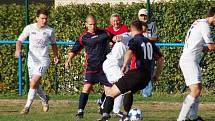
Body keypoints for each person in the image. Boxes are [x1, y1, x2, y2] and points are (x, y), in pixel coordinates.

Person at [98, 20, 164, 121]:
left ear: (132, 29)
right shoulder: (150, 42)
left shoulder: (135, 39)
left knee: (111, 93)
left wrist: (124, 65)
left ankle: (105, 117)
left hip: (136, 73)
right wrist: (156, 75)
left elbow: (129, 52)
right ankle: (125, 115)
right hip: (146, 77)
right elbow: (160, 59)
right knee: (128, 91)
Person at [65, 15, 112, 118]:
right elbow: (75, 50)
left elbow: (115, 37)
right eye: (90, 24)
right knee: (86, 88)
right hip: (91, 67)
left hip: (105, 68)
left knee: (110, 91)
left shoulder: (105, 33)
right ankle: (80, 111)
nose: (93, 26)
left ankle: (105, 113)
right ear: (86, 24)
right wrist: (69, 59)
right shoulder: (84, 37)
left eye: (94, 24)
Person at [15, 9, 59, 114]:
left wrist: (56, 56)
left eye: (46, 18)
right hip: (31, 60)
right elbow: (19, 40)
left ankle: (26, 107)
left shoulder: (50, 30)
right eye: (42, 18)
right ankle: (44, 98)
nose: (44, 21)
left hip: (43, 60)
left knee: (34, 82)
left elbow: (54, 44)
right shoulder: (29, 28)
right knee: (34, 84)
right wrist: (18, 50)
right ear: (37, 18)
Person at [177, 7, 215, 121]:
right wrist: (210, 47)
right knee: (196, 90)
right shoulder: (205, 26)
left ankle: (193, 117)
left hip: (191, 59)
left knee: (198, 89)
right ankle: (181, 119)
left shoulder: (199, 22)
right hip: (189, 60)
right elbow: (211, 47)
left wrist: (206, 48)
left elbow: (204, 48)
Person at [97, 13, 129, 117]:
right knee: (121, 84)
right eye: (114, 21)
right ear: (111, 22)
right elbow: (116, 38)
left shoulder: (126, 31)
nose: (116, 22)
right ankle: (112, 110)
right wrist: (112, 40)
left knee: (116, 87)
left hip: (117, 62)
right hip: (112, 63)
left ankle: (105, 107)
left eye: (117, 20)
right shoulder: (109, 31)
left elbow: (121, 38)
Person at [138, 8, 158, 97]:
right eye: (142, 15)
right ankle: (140, 91)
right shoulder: (136, 25)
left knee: (149, 72)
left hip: (150, 52)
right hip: (139, 52)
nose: (143, 17)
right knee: (139, 73)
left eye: (145, 15)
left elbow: (154, 38)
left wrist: (143, 39)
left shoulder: (152, 25)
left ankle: (147, 93)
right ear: (139, 17)